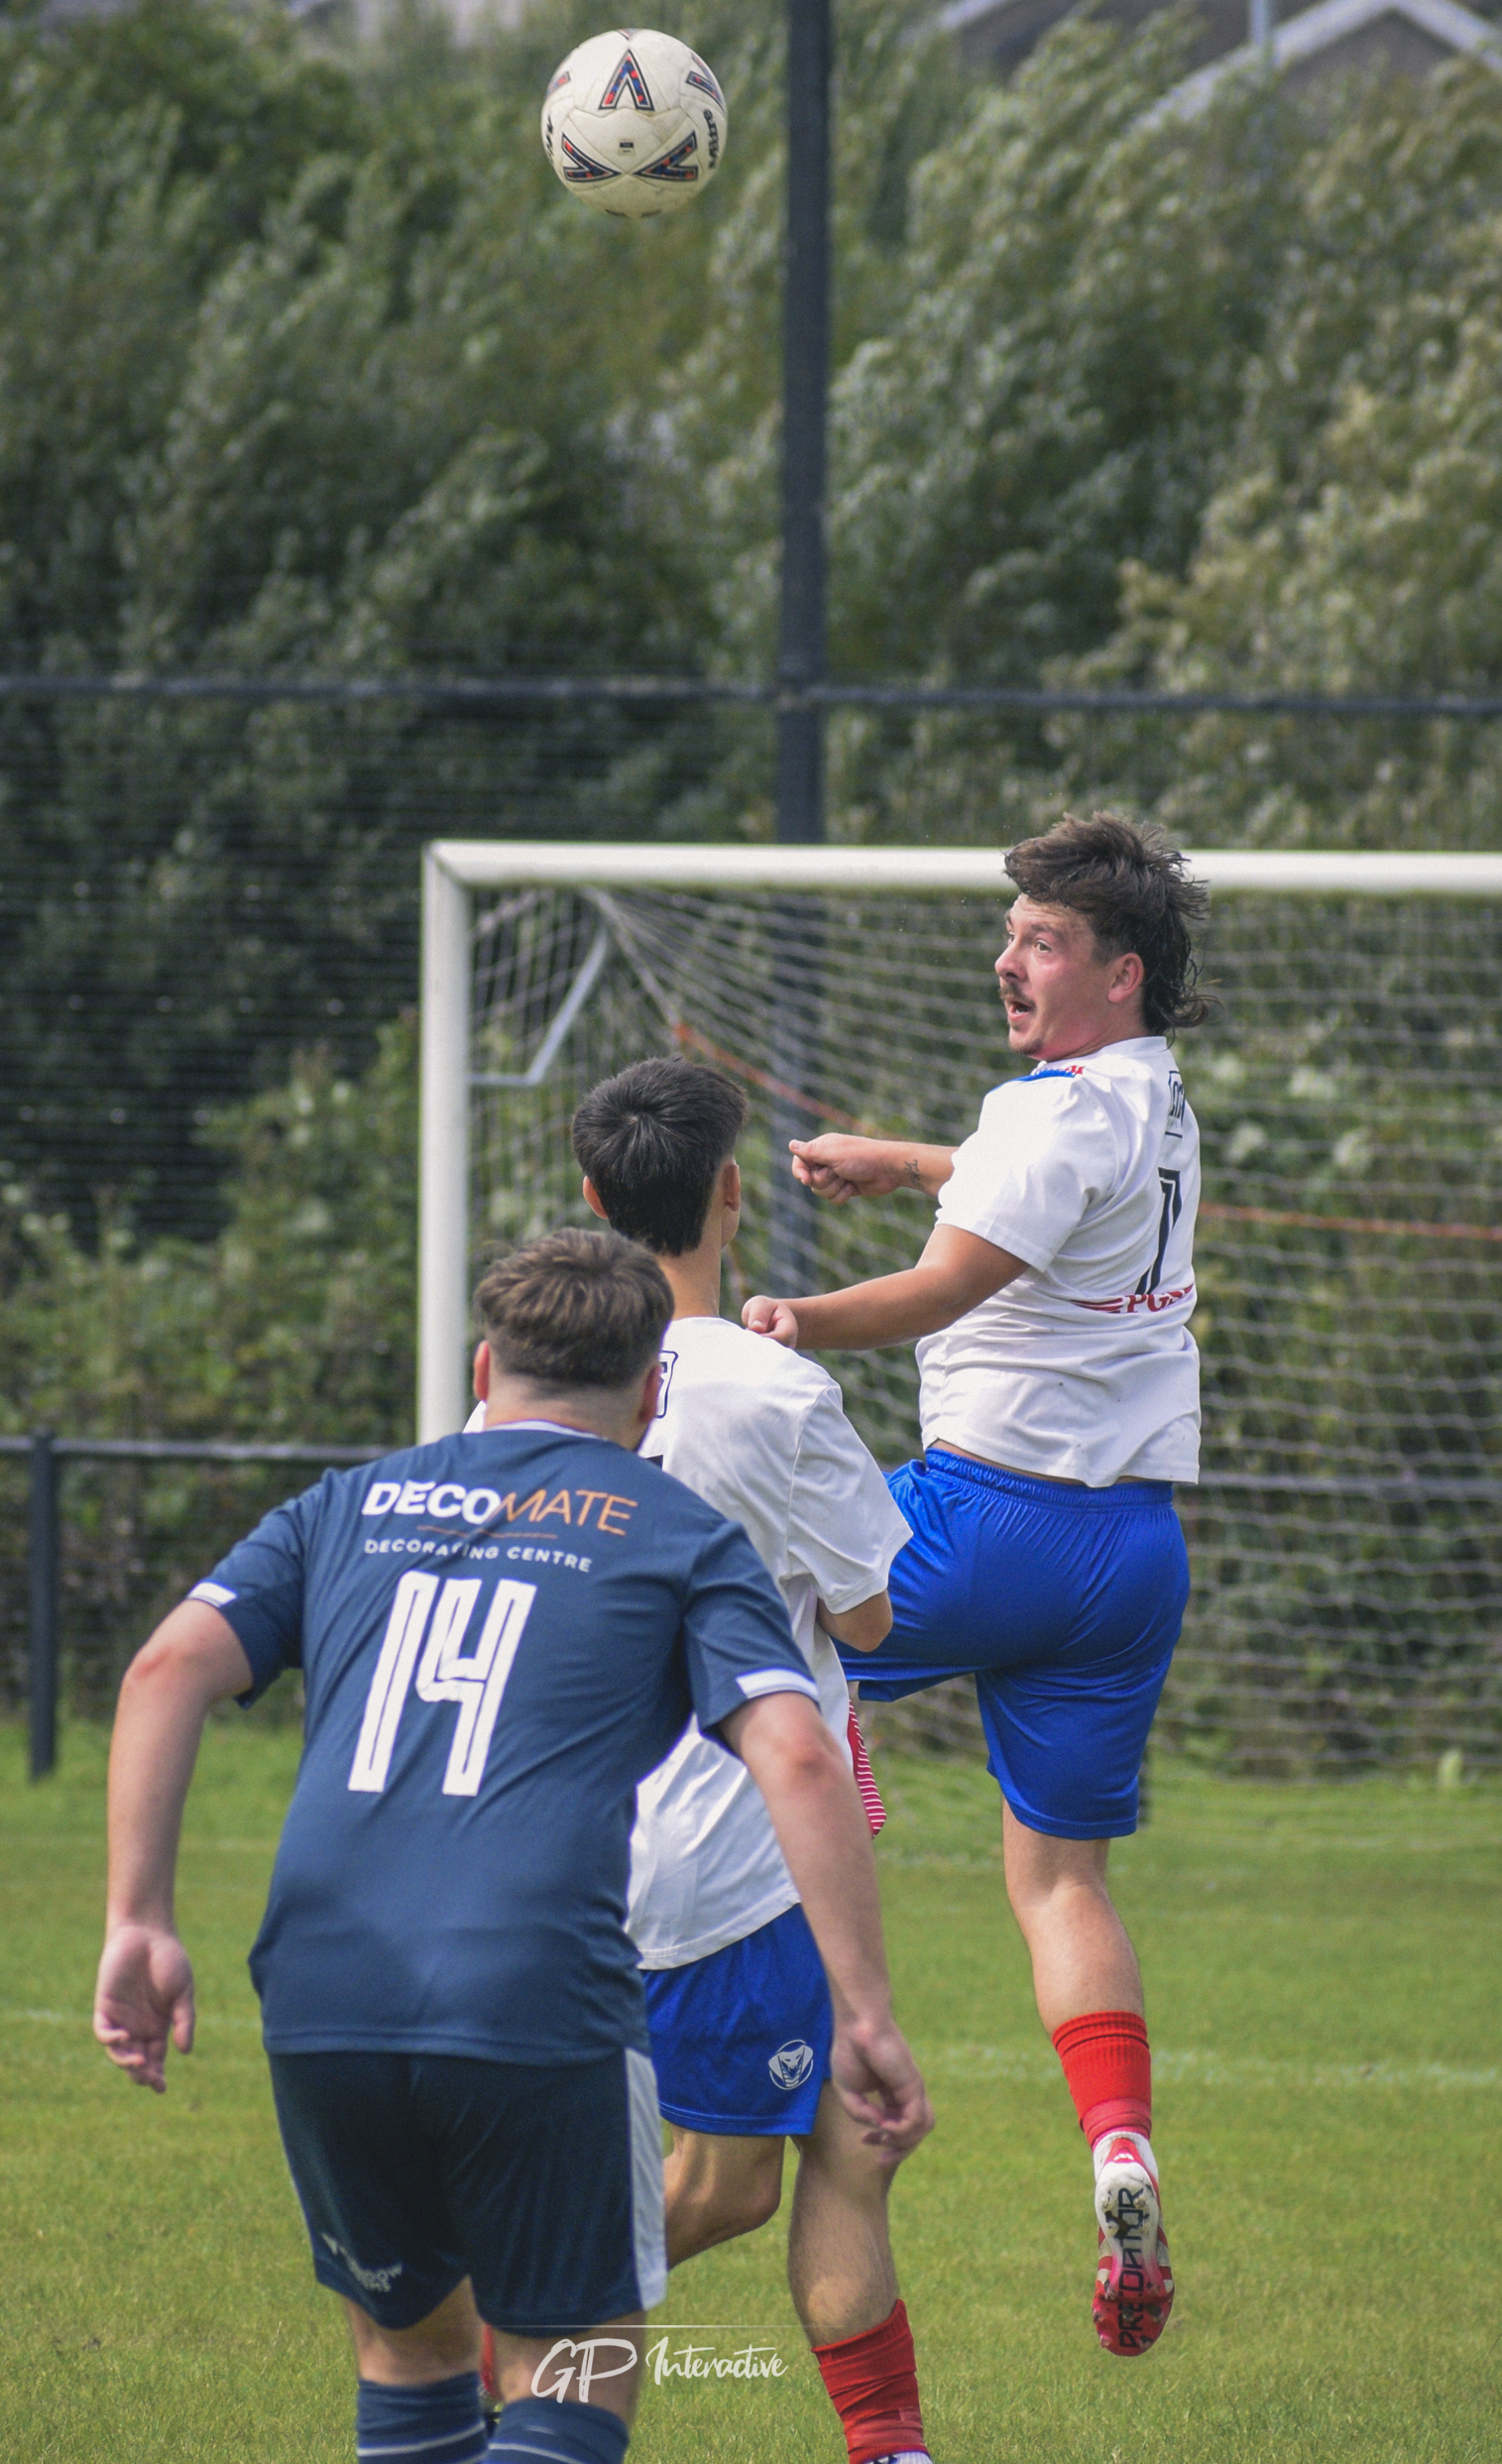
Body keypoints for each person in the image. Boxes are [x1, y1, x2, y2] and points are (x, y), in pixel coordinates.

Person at [93, 1229, 932, 2464]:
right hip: (532, 1984)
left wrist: (138, 1917)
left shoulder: (344, 1502)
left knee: (414, 2366)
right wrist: (860, 2009)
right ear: (650, 1396)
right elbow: (799, 1756)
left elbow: (164, 1667)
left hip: (320, 1982)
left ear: (483, 1369)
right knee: (571, 2379)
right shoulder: (674, 1529)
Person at [743, 811, 1209, 2360]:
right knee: (1059, 1882)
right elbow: (1038, 1185)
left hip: (986, 1522)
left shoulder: (1045, 1110)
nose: (1004, 959)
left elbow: (946, 1284)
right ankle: (1119, 2151)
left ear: (1116, 973)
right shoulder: (1154, 1100)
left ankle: (823, 1773)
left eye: (1040, 942)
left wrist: (790, 1318)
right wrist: (909, 1160)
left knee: (741, 1642)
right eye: (1008, 933)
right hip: (1127, 1556)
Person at [567, 1058, 932, 2464]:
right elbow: (869, 1616)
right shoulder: (774, 1391)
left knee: (829, 2143)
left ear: (592, 1198)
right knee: (740, 2179)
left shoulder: (532, 1386)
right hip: (734, 1850)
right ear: (730, 1190)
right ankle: (488, 2335)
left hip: (571, 1836)